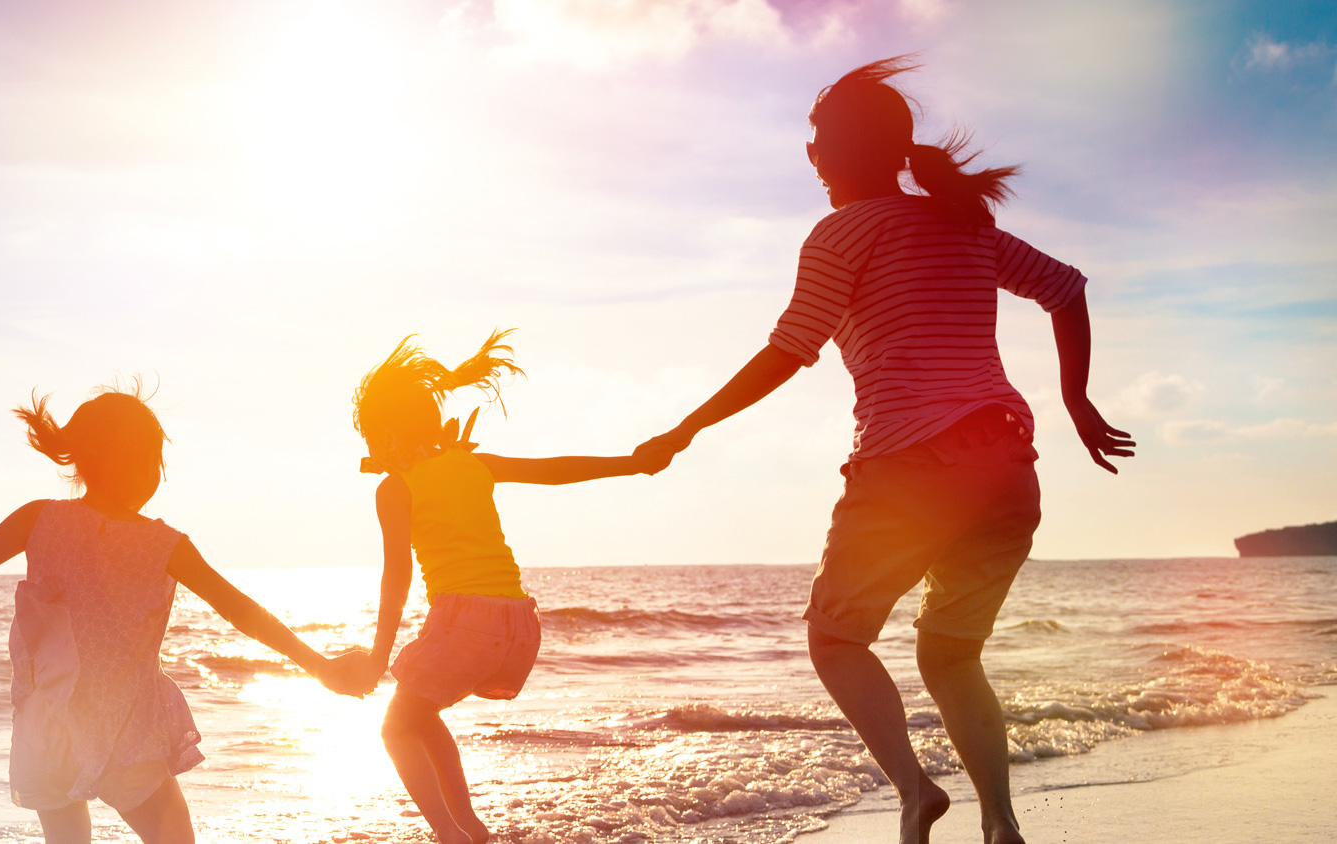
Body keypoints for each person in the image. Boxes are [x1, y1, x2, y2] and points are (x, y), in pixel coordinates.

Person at [634, 57, 1135, 844]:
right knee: (951, 655)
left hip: (911, 466)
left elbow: (789, 349)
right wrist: (1076, 399)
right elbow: (1066, 289)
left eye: (818, 140)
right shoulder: (962, 223)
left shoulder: (840, 233)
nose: (811, 153)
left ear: (839, 153)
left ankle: (914, 792)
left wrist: (686, 427)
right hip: (1007, 471)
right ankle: (1000, 824)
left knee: (835, 638)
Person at [0, 385, 369, 844]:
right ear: (143, 463)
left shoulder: (39, 519)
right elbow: (240, 611)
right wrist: (320, 666)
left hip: (48, 728)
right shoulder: (164, 544)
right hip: (122, 725)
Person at [341, 330, 659, 844]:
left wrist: (378, 658)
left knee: (395, 728)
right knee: (420, 715)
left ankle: (449, 834)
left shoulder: (394, 489)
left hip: (463, 622)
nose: (371, 451)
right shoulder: (474, 464)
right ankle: (470, 828)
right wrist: (632, 463)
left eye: (372, 438)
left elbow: (396, 576)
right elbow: (554, 472)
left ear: (390, 435)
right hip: (518, 625)